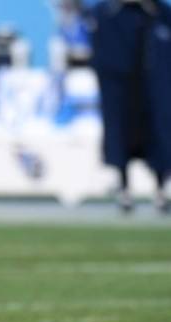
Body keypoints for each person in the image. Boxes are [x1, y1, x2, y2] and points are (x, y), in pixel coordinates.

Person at [88, 0, 171, 213]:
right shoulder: (106, 14)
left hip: (154, 88)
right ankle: (124, 189)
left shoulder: (160, 13)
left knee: (159, 135)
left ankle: (161, 189)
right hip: (123, 88)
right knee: (121, 136)